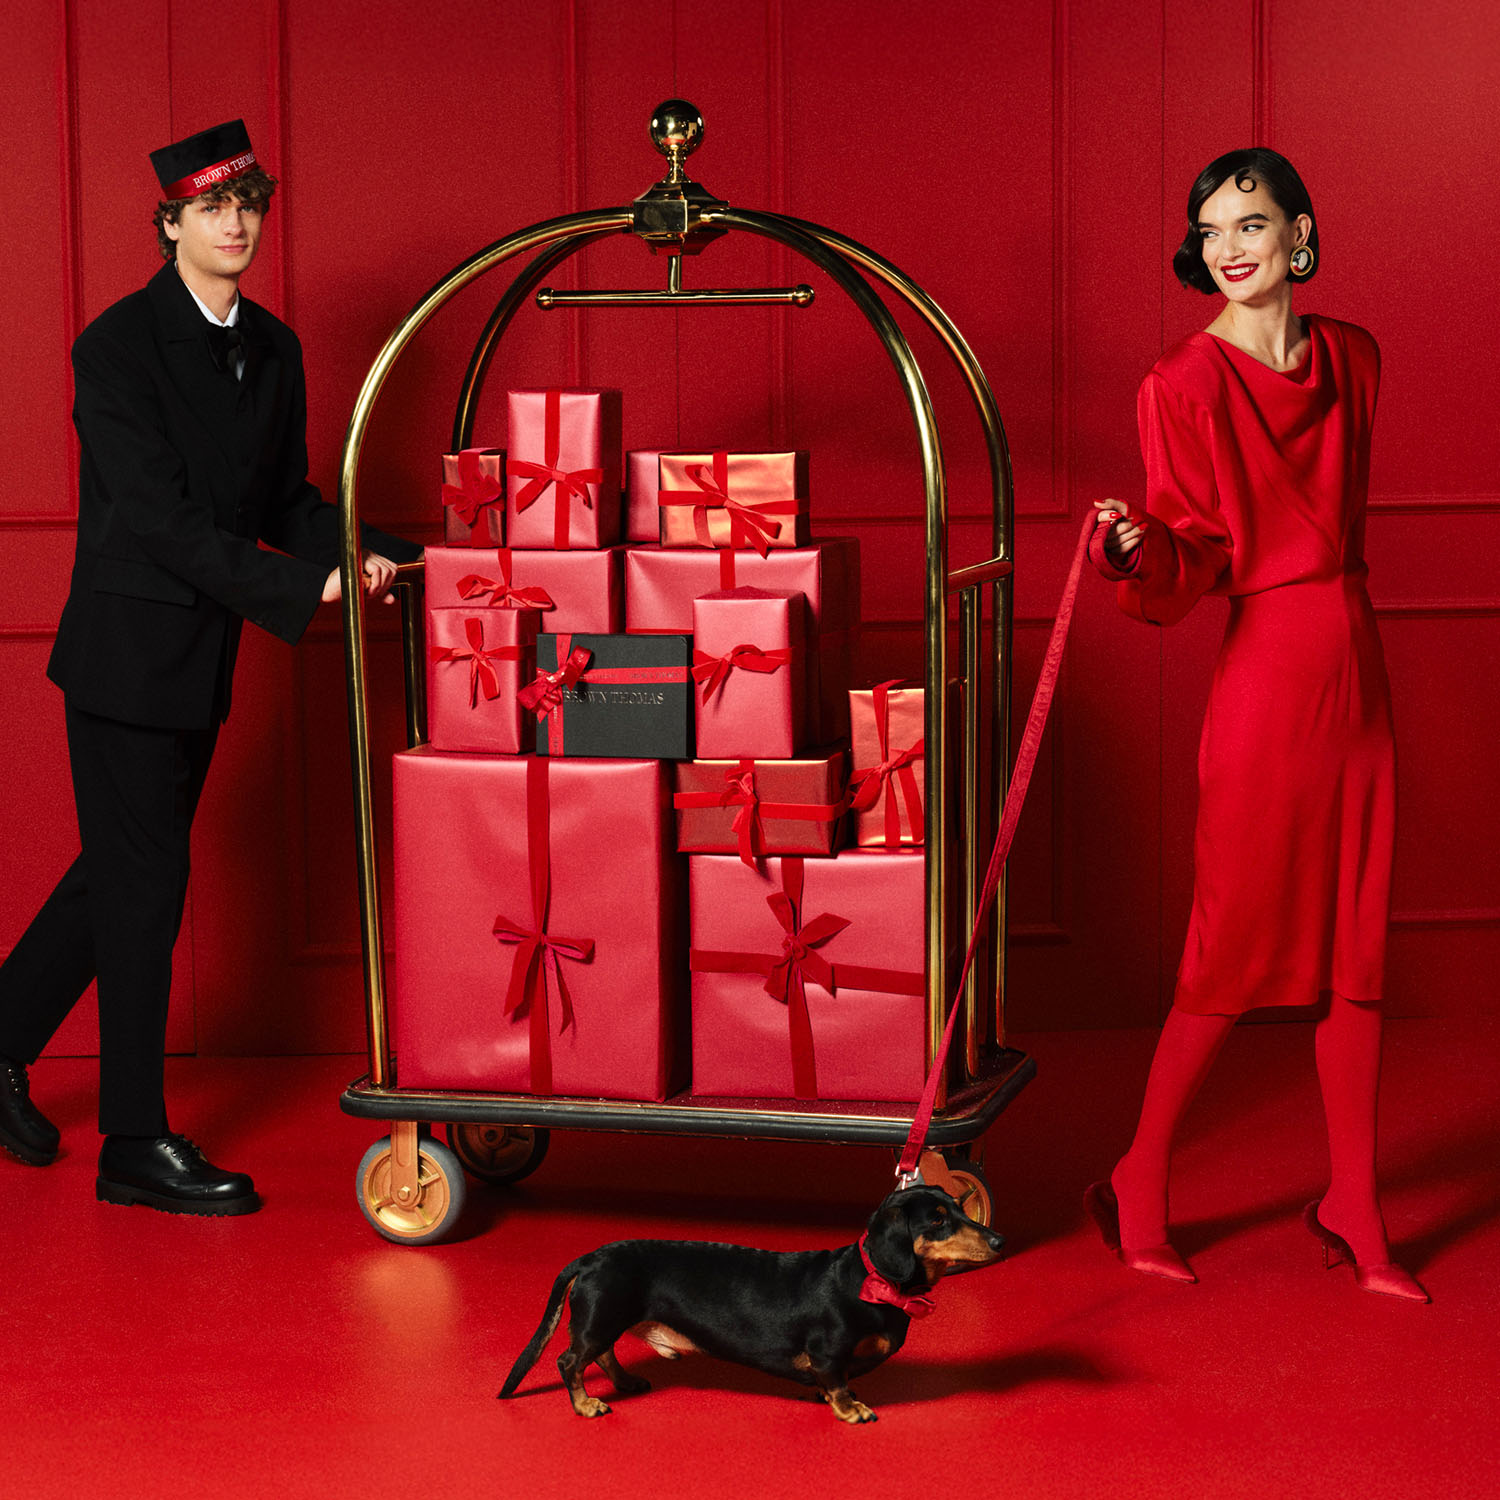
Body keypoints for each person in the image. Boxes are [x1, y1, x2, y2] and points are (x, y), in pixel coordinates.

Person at [0, 119, 420, 1215]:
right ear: (171, 224)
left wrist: (371, 552)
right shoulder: (116, 347)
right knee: (146, 881)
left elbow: (283, 500)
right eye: (210, 209)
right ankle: (135, 1141)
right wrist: (299, 590)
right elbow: (158, 521)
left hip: (203, 658)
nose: (234, 224)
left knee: (121, 868)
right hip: (127, 660)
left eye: (249, 205)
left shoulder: (273, 349)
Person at [1082, 148, 1427, 1301]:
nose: (1230, 247)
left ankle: (1356, 1207)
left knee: (1357, 957)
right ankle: (1140, 1174)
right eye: (1213, 230)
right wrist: (1142, 548)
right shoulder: (1179, 386)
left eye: (1252, 223)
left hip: (1357, 670)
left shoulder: (1356, 359)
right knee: (1230, 952)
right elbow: (1195, 559)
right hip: (1268, 679)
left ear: (1300, 235)